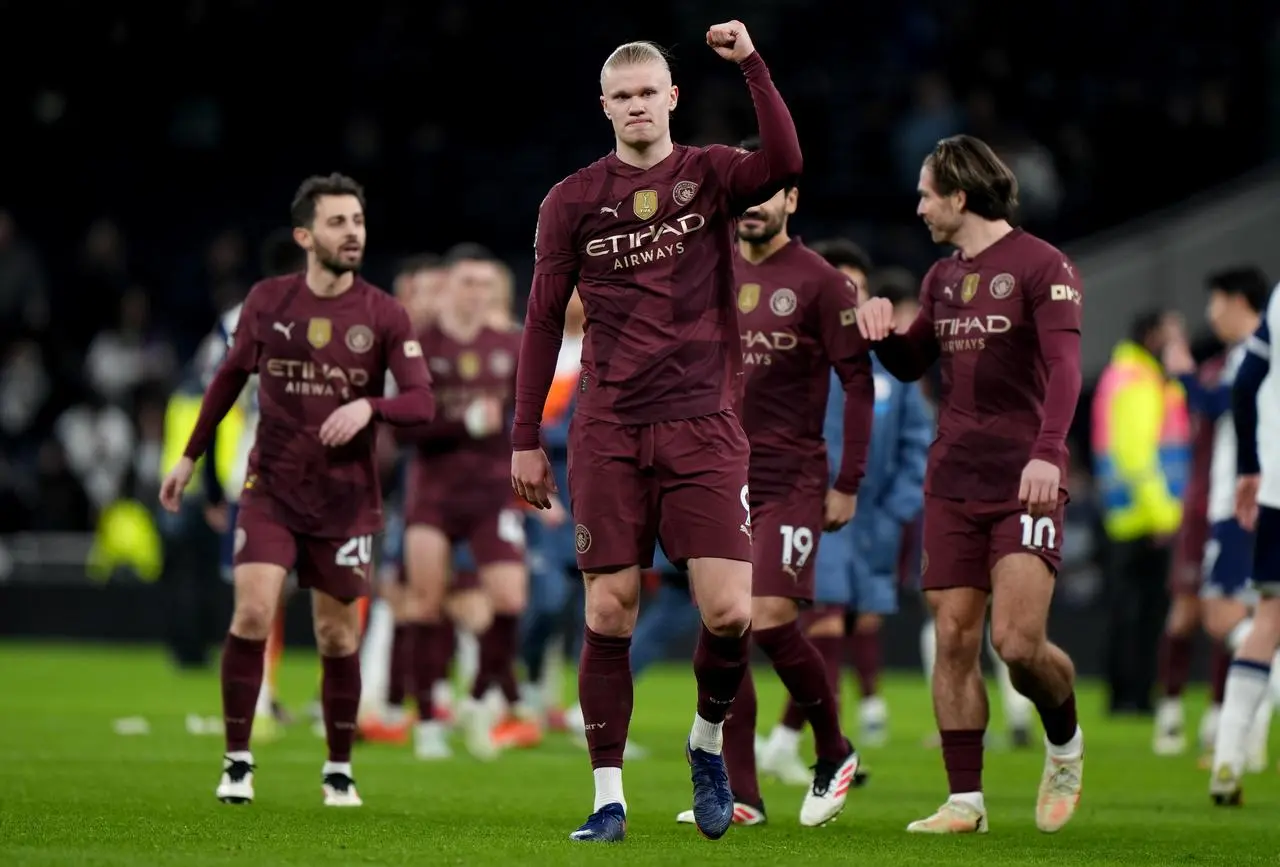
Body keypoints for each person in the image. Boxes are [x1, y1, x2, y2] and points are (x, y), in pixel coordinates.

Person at [510, 24, 803, 843]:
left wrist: (751, 65)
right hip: (606, 425)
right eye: (623, 96)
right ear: (605, 106)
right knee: (609, 611)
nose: (638, 106)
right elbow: (540, 322)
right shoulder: (569, 201)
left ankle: (706, 745)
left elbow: (782, 164)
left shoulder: (708, 174)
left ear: (672, 99)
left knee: (730, 611)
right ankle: (609, 798)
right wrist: (525, 433)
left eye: (650, 93)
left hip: (704, 421)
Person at [158, 173, 435, 807]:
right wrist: (189, 458)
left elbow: (421, 401)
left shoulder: (384, 313)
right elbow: (227, 379)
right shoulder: (266, 303)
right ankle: (237, 761)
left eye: (359, 222)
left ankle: (338, 767)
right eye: (339, 223)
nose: (353, 233)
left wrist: (372, 408)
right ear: (306, 235)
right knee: (253, 611)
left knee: (338, 636)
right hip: (271, 490)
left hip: (345, 500)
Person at [854, 134, 1085, 835]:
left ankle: (1065, 741)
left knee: (1016, 643)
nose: (918, 206)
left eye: (927, 193)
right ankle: (966, 802)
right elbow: (909, 363)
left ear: (959, 195)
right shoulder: (941, 279)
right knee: (953, 638)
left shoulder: (1045, 266)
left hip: (1025, 479)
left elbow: (1068, 368)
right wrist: (881, 335)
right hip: (951, 479)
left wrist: (1048, 453)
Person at [668, 137, 870, 830]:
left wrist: (848, 480)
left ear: (791, 199)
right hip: (718, 473)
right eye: (743, 197)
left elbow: (859, 381)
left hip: (791, 476)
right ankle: (743, 792)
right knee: (729, 631)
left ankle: (835, 749)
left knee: (772, 616)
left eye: (766, 196)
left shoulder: (819, 279)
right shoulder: (705, 268)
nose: (752, 208)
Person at [757, 262, 932, 777]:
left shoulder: (890, 371)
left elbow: (916, 443)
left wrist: (896, 509)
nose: (843, 297)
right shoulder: (798, 357)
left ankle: (789, 743)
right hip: (809, 507)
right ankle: (822, 750)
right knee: (824, 620)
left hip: (870, 521)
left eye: (853, 287)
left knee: (838, 623)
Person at [399, 243, 530, 761]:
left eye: (484, 284)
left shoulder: (512, 344)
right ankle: (428, 720)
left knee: (511, 600)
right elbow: (406, 425)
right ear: (448, 285)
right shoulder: (420, 344)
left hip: (493, 492)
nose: (476, 293)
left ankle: (478, 697)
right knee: (427, 604)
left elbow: (527, 415)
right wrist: (462, 423)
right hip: (433, 493)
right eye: (467, 283)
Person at [1158, 268, 1271, 762]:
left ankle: (1239, 739)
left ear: (1236, 302)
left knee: (1228, 618)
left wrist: (1182, 370)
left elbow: (1215, 402)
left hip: (1241, 507)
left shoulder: (1251, 357)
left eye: (1215, 302)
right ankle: (1244, 747)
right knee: (1254, 618)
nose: (1211, 314)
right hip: (1257, 503)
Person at [199, 229, 308, 739]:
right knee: (255, 591)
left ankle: (263, 690)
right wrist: (212, 488)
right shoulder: (241, 322)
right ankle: (252, 697)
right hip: (259, 474)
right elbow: (213, 401)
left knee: (276, 591)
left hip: (297, 475)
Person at [1093, 310, 1191, 713]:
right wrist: (1165, 515)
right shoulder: (1138, 380)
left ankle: (1126, 695)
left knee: (1129, 610)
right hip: (1142, 515)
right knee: (1141, 613)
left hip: (1127, 512)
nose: (1181, 338)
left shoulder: (1132, 375)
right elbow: (1137, 456)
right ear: (1152, 336)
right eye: (1173, 332)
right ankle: (1132, 697)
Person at [1210, 275, 1280, 805]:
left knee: (1267, 622)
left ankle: (1228, 760)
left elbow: (1245, 383)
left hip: (1277, 488)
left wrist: (1253, 468)